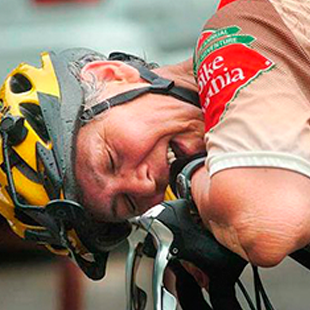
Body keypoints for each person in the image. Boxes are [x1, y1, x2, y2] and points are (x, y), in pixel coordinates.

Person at [0, 0, 310, 280]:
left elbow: (265, 228)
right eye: (128, 203)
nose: (144, 186)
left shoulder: (229, 42)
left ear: (112, 75)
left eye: (111, 159)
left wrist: (193, 182)